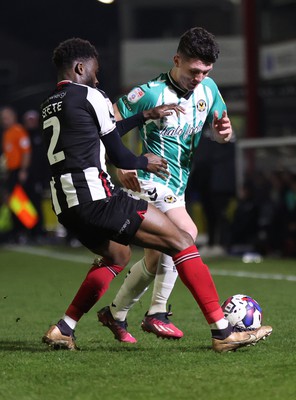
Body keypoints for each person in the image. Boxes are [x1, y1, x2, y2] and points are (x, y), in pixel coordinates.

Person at [41, 37, 272, 353]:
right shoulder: (93, 95)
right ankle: (219, 332)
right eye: (94, 71)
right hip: (102, 196)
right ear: (81, 67)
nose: (97, 78)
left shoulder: (49, 104)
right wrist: (137, 162)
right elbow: (118, 148)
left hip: (67, 206)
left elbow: (97, 134)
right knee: (182, 239)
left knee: (119, 255)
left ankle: (67, 327)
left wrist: (147, 118)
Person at [97, 27, 235, 341]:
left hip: (179, 186)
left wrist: (224, 131)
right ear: (176, 60)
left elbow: (221, 131)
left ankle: (115, 313)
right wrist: (121, 162)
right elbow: (110, 125)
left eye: (206, 71)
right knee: (185, 234)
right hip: (148, 179)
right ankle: (156, 313)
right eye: (194, 71)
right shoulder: (149, 92)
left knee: (155, 257)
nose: (199, 77)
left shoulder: (209, 89)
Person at [0, 106, 32, 242]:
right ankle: (16, 232)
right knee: (13, 202)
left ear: (13, 117)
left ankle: (27, 232)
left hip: (18, 171)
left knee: (21, 203)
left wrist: (23, 170)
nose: (4, 120)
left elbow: (26, 151)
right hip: (11, 172)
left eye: (6, 117)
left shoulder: (19, 131)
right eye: (2, 118)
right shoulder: (6, 133)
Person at [22, 110, 50, 241]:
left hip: (39, 177)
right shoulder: (23, 136)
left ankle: (40, 231)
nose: (31, 122)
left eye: (33, 120)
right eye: (29, 120)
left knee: (38, 204)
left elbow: (43, 160)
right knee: (25, 205)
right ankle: (30, 230)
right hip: (26, 177)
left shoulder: (42, 135)